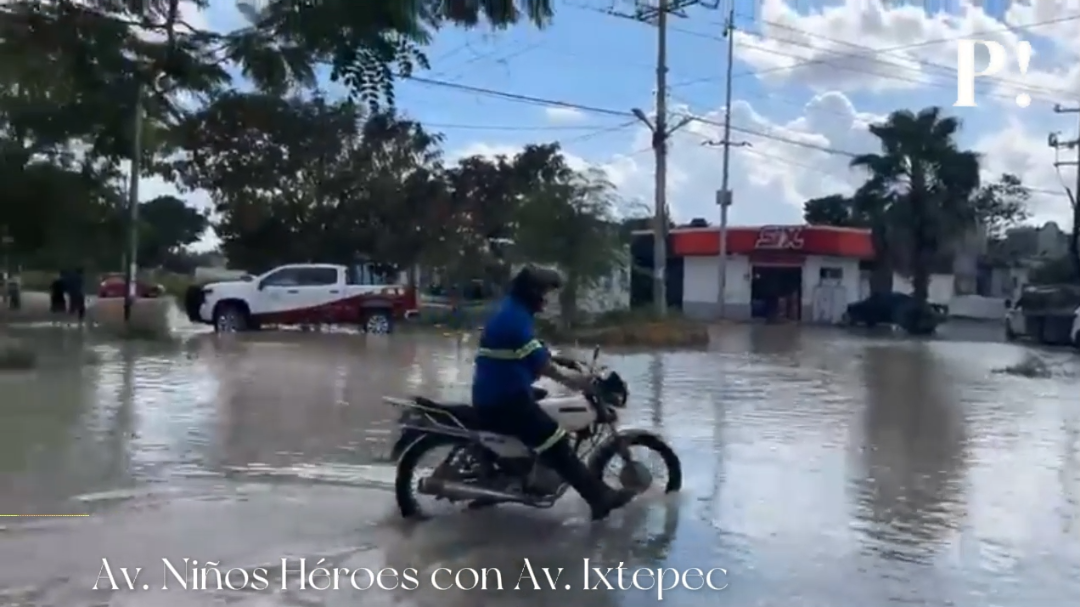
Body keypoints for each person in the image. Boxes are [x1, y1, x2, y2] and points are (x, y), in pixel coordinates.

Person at [471, 265, 636, 521]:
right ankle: (599, 498)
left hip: (501, 391)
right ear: (532, 292)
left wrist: (566, 360)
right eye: (545, 293)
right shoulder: (514, 319)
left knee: (544, 408)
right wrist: (577, 382)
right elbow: (542, 366)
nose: (547, 299)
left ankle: (520, 469)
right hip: (503, 399)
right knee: (556, 441)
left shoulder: (513, 311)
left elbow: (533, 350)